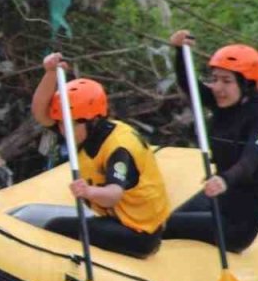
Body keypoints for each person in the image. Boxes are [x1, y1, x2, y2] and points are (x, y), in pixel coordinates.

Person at [18, 52, 169, 257]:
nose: (62, 130)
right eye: (61, 123)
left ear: (92, 120)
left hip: (138, 233)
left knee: (55, 227)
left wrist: (88, 192)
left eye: (68, 124)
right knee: (31, 216)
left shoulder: (119, 148)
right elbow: (40, 113)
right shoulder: (79, 130)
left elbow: (113, 195)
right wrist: (50, 73)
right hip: (113, 219)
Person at [164, 30, 258, 252]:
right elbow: (190, 86)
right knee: (169, 221)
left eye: (226, 81)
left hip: (239, 223)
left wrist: (224, 180)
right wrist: (180, 52)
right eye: (215, 79)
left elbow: (250, 162)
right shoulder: (225, 101)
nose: (218, 88)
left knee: (168, 226)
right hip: (219, 199)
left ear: (247, 84)